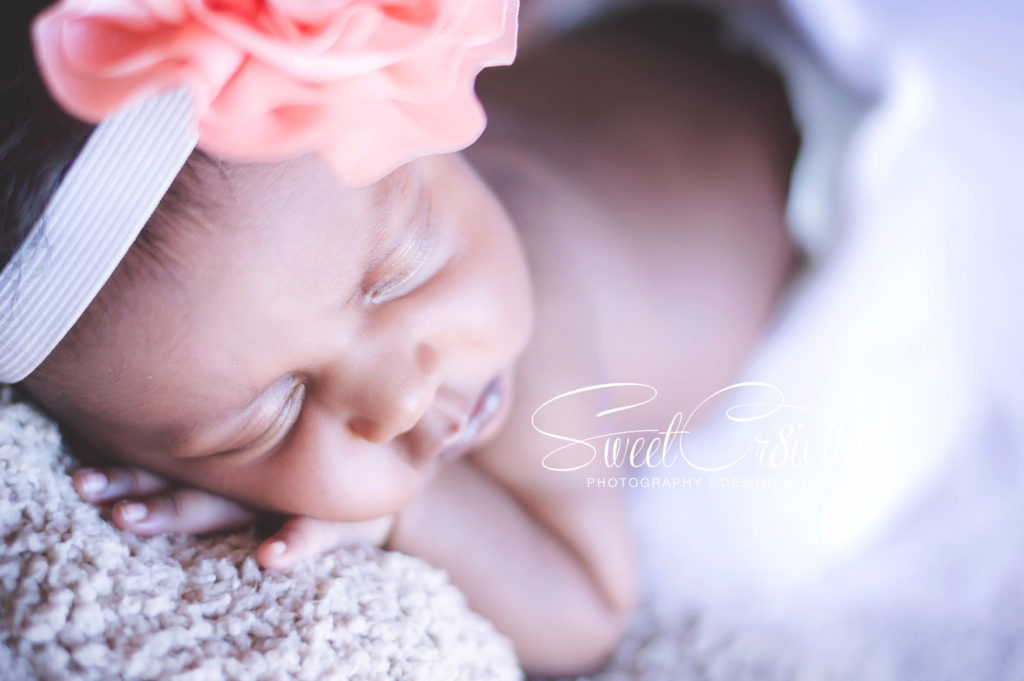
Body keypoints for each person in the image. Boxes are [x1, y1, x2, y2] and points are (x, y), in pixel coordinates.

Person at [2, 1, 797, 674]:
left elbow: (588, 605)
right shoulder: (353, 216)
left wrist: (402, 516)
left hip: (795, 137)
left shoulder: (544, 315)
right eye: (272, 417)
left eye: (404, 271)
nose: (402, 396)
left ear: (435, 142)